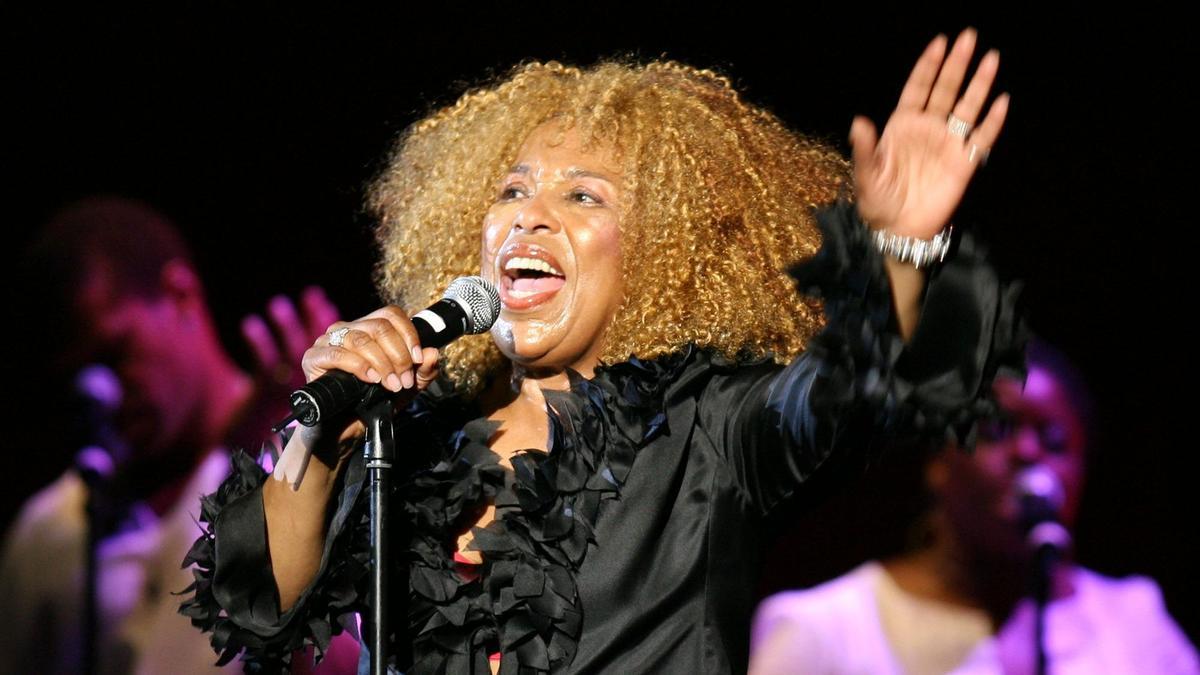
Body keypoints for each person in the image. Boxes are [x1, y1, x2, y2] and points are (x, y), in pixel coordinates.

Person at [181, 29, 1022, 673]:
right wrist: (325, 430)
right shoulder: (408, 435)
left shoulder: (708, 431)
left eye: (582, 195)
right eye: (511, 189)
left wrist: (899, 251)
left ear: (661, 253)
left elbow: (855, 388)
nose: (529, 215)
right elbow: (255, 603)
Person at [0, 197, 356, 674]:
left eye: (117, 352)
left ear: (181, 294)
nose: (103, 394)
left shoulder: (311, 446)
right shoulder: (48, 534)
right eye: (81, 376)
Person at [748, 340, 1200, 675]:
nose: (1028, 453)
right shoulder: (825, 629)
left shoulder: (1135, 624)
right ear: (938, 461)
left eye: (1055, 441)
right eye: (997, 431)